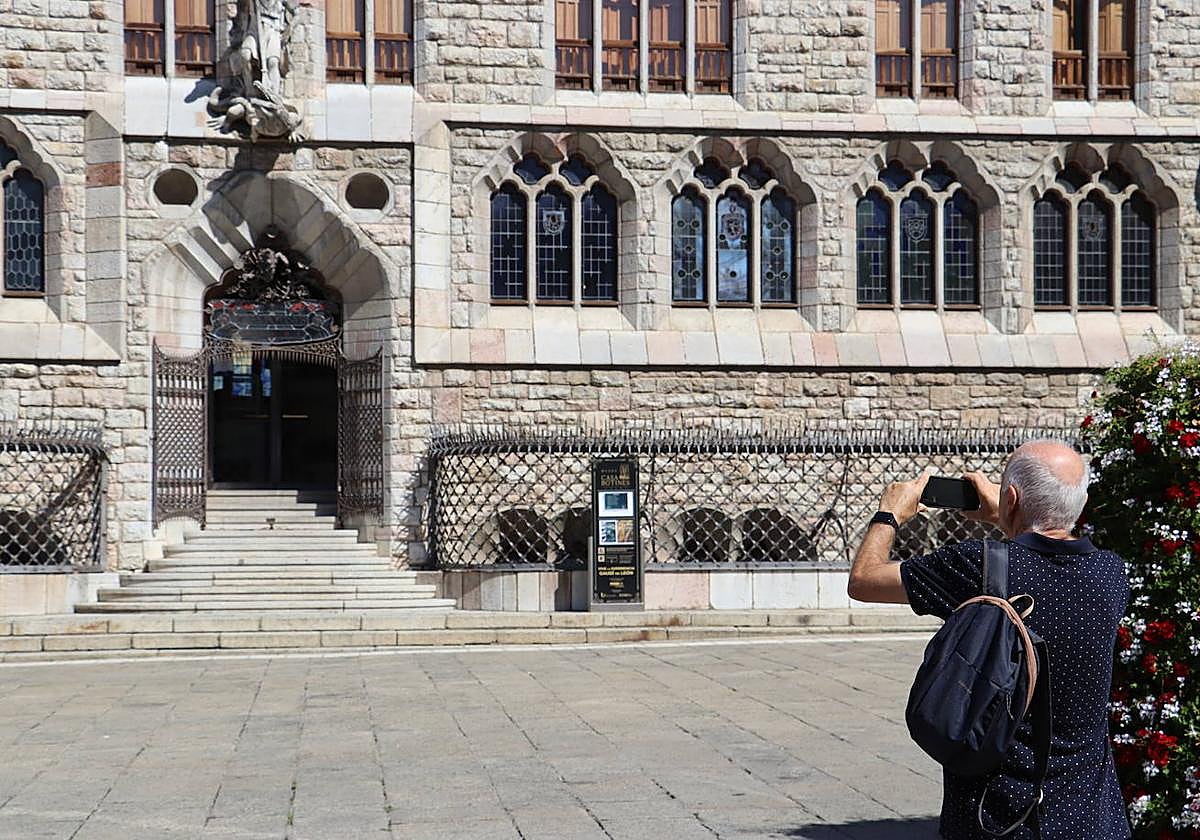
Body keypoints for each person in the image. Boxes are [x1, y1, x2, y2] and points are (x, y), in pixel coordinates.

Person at [846, 440, 1131, 840]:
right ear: (1079, 504)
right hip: (1090, 818)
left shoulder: (976, 565)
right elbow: (1048, 552)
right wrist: (1010, 514)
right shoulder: (1110, 575)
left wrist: (888, 513)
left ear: (1010, 497)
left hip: (997, 817)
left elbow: (864, 580)